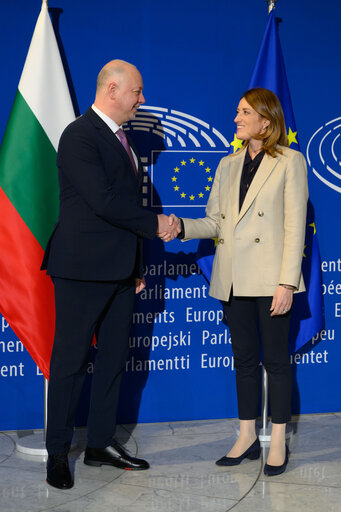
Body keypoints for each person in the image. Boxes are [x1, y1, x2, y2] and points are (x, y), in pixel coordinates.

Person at [41, 59, 179, 489]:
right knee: (70, 363)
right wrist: (157, 224)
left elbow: (121, 207)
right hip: (82, 270)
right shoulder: (79, 135)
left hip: (121, 272)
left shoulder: (123, 141)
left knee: (114, 361)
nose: (142, 99)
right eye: (137, 91)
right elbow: (102, 202)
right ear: (113, 89)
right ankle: (58, 454)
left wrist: (136, 266)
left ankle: (100, 443)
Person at [168, 88, 308, 476]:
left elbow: (295, 226)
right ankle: (247, 436)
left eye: (244, 112)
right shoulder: (228, 165)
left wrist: (287, 283)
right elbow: (215, 222)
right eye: (237, 112)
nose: (236, 118)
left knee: (277, 363)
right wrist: (181, 226)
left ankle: (276, 441)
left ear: (266, 120)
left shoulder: (290, 161)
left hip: (270, 282)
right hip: (233, 280)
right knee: (244, 362)